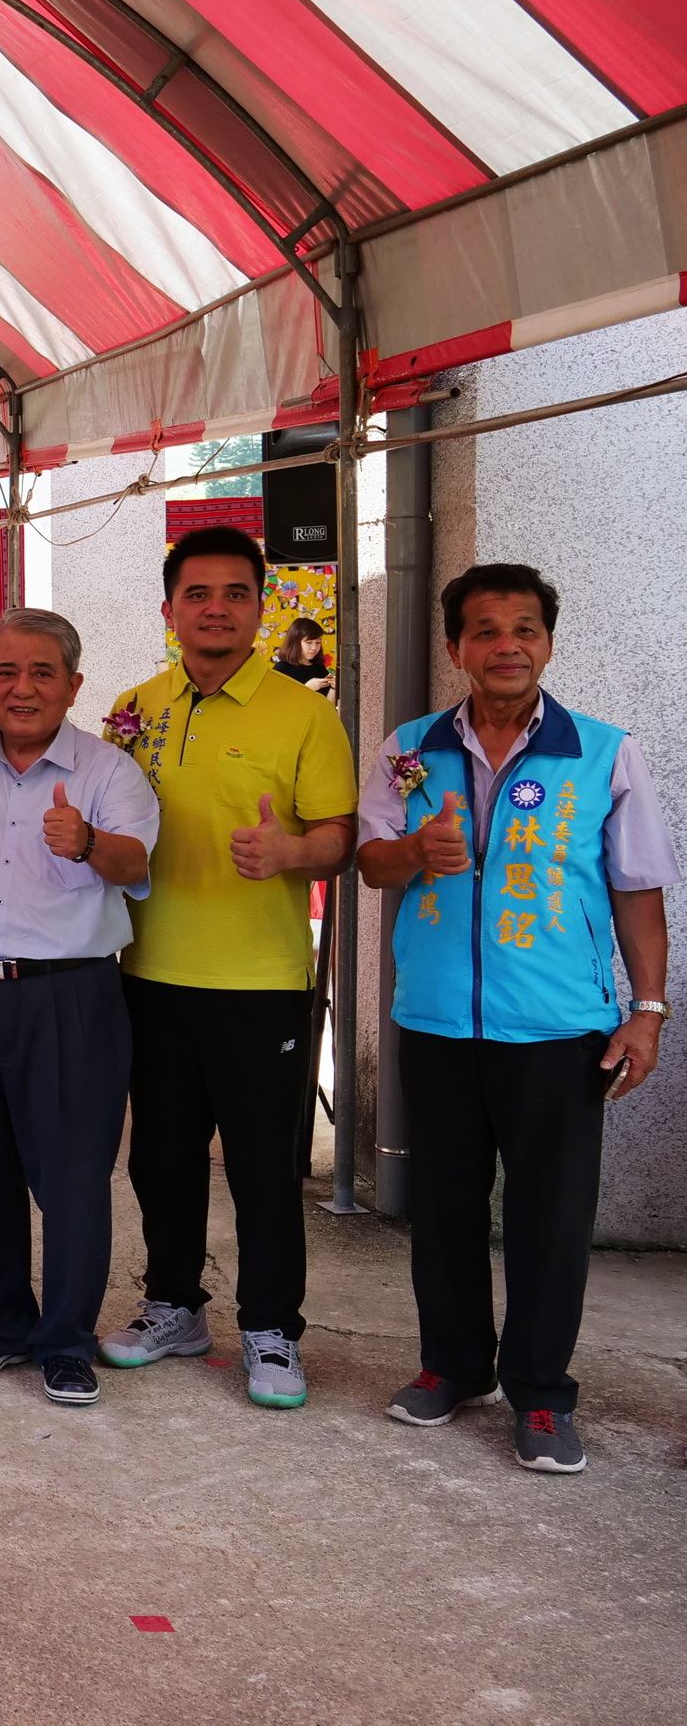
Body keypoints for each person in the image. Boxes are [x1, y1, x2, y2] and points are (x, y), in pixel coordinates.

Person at [357, 564, 675, 1474]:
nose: (507, 646)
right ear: (455, 647)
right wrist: (416, 850)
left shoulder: (604, 752)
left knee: (551, 1219)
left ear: (548, 643)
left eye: (524, 629)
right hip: (437, 1024)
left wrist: (647, 1012)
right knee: (444, 1210)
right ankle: (454, 1367)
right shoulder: (410, 749)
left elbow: (638, 892)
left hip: (561, 1031)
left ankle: (539, 1393)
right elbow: (372, 863)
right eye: (486, 631)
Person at [98, 527, 355, 1409]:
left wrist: (292, 851)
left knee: (262, 1170)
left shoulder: (305, 713)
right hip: (149, 972)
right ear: (169, 609)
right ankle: (173, 1305)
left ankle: (272, 1328)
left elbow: (340, 836)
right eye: (198, 594)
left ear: (260, 608)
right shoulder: (134, 708)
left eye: (236, 593)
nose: (216, 609)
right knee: (161, 1159)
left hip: (260, 984)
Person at [0, 608, 160, 1407]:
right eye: (5, 671)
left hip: (70, 996)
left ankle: (65, 1342)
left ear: (74, 684)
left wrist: (87, 842)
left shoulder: (109, 772)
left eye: (41, 673)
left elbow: (134, 863)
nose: (22, 688)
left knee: (72, 1177)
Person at [272, 615, 333, 695]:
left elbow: (327, 702)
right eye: (309, 642)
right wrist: (307, 688)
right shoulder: (281, 669)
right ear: (295, 642)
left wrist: (333, 688)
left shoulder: (319, 667)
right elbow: (277, 701)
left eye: (318, 642)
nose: (314, 648)